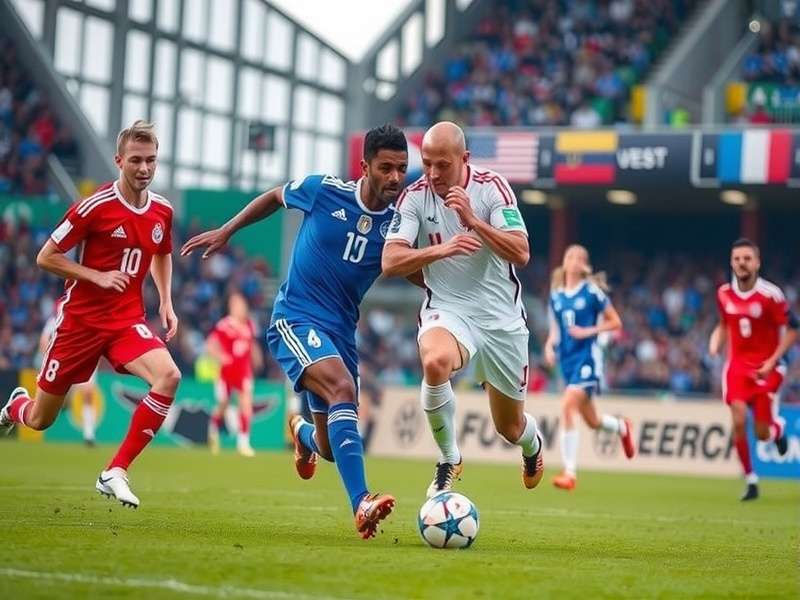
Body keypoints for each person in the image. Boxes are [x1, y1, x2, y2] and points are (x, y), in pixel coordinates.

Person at [181, 124, 409, 539]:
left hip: (341, 334)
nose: (395, 177)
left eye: (402, 169)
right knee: (343, 389)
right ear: (365, 167)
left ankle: (300, 432)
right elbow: (273, 197)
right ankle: (361, 503)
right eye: (386, 167)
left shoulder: (398, 227)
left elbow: (412, 270)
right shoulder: (324, 190)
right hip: (295, 318)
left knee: (327, 447)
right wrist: (228, 230)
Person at [0, 120, 181, 508]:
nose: (144, 169)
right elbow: (46, 257)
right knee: (40, 419)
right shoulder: (95, 206)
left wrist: (165, 301)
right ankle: (17, 403)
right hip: (79, 323)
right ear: (119, 160)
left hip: (125, 321)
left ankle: (114, 470)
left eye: (151, 160)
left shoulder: (162, 210)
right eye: (136, 160)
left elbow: (162, 252)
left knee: (168, 376)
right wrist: (95, 276)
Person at [382, 121, 545, 499]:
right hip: (448, 310)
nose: (434, 174)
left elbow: (521, 252)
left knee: (509, 427)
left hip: (501, 320)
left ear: (464, 159)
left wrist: (473, 221)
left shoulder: (492, 189)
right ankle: (448, 458)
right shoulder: (414, 199)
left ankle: (532, 444)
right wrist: (440, 249)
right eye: (426, 164)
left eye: (443, 165)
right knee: (435, 362)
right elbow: (390, 262)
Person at [709, 238, 797, 501]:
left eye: (747, 258)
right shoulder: (724, 293)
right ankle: (751, 480)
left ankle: (777, 430)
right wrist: (716, 343)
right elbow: (724, 324)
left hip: (767, 367)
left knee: (762, 433)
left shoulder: (771, 295)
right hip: (736, 366)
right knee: (737, 420)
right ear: (731, 262)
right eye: (737, 259)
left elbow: (794, 329)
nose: (741, 263)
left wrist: (772, 362)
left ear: (757, 263)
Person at [543, 244, 635, 491]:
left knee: (566, 406)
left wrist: (589, 331)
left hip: (588, 359)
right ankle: (621, 427)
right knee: (593, 421)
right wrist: (549, 347)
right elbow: (555, 330)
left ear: (584, 265)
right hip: (567, 361)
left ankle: (569, 473)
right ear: (564, 262)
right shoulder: (556, 295)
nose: (573, 260)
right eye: (569, 256)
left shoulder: (592, 292)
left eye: (579, 257)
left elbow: (616, 322)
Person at [206, 292, 263, 457]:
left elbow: (252, 344)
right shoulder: (224, 325)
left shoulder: (249, 324)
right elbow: (210, 344)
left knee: (246, 404)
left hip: (244, 371)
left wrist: (257, 358)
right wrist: (220, 356)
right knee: (223, 404)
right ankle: (213, 430)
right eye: (237, 304)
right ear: (231, 306)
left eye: (242, 304)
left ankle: (243, 443)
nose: (241, 307)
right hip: (227, 372)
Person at [39, 308, 98, 447]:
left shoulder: (92, 318)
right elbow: (43, 341)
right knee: (61, 401)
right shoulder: (55, 319)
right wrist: (47, 361)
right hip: (64, 362)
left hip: (86, 361)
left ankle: (89, 435)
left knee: (88, 394)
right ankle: (65, 403)